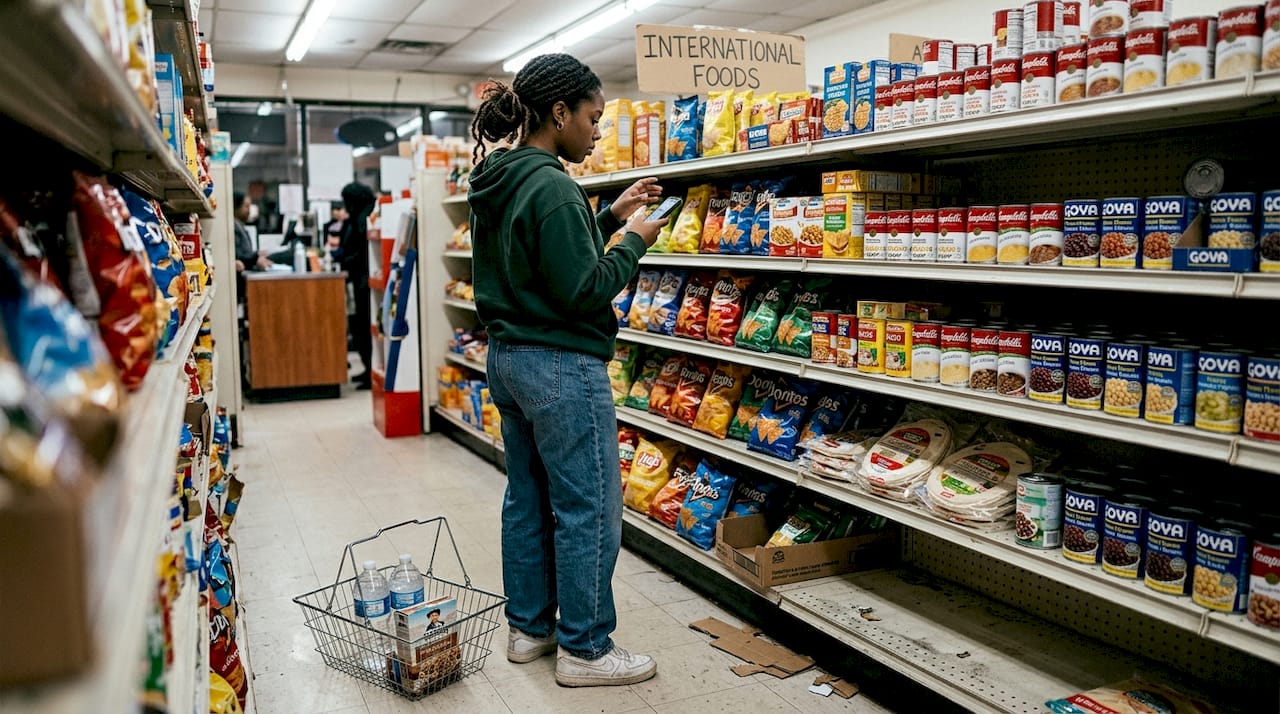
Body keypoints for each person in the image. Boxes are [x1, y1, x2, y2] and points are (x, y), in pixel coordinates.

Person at [467, 53, 669, 688]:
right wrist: (634, 240)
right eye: (592, 117)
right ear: (559, 113)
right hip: (560, 364)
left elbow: (537, 252)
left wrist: (609, 215)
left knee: (527, 500)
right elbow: (583, 289)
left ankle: (531, 630)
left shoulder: (500, 173)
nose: (598, 131)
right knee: (588, 508)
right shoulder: (553, 184)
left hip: (509, 359)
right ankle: (585, 649)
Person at [338, 181, 377, 389]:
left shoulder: (363, 218)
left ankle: (370, 369)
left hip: (363, 281)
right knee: (362, 327)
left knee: (362, 326)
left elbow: (357, 250)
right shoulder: (365, 213)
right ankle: (369, 369)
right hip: (363, 280)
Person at [233, 192, 271, 273]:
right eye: (246, 206)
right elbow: (238, 255)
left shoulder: (241, 227)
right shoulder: (234, 227)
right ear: (236, 208)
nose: (249, 211)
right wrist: (256, 256)